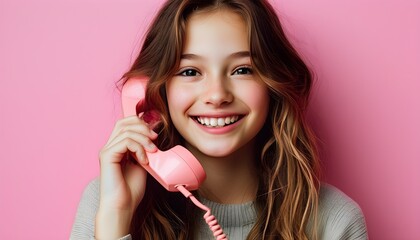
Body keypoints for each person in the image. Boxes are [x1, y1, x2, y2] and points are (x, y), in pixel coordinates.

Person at [70, 0, 368, 239]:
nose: (217, 95)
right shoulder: (107, 202)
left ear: (272, 85)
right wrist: (115, 219)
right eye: (190, 72)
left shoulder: (334, 221)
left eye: (242, 70)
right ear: (154, 91)